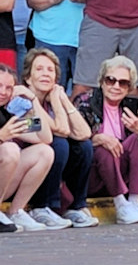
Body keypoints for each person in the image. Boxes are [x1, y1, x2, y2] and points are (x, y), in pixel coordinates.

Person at [77, 54, 138, 223]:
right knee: (105, 147)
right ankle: (121, 205)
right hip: (94, 176)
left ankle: (134, 202)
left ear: (129, 87)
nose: (116, 86)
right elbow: (74, 138)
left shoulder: (132, 107)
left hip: (123, 174)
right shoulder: (86, 102)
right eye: (110, 80)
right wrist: (96, 138)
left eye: (123, 83)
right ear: (101, 81)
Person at [20, 48, 96, 228]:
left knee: (83, 146)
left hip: (47, 165)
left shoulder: (51, 100)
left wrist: (62, 100)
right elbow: (58, 131)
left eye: (50, 70)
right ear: (28, 77)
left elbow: (84, 133)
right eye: (39, 69)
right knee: (59, 144)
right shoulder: (23, 100)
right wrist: (57, 101)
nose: (45, 74)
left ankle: (76, 206)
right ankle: (42, 206)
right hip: (23, 166)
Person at [0, 60, 57, 232]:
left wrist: (33, 99)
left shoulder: (8, 114)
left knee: (44, 152)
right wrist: (2, 136)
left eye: (9, 88)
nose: (3, 92)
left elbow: (45, 136)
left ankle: (16, 211)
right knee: (10, 150)